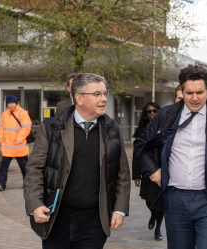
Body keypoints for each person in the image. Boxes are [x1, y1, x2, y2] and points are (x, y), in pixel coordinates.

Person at [134, 62, 207, 249]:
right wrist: (152, 170)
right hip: (175, 199)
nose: (194, 98)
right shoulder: (166, 115)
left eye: (199, 92)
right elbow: (140, 144)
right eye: (189, 93)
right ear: (182, 92)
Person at [23, 73, 131, 248]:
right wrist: (35, 204)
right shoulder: (51, 128)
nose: (104, 99)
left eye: (105, 94)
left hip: (95, 222)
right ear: (79, 98)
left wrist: (119, 209)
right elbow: (34, 170)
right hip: (56, 219)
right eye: (97, 94)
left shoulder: (113, 129)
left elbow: (122, 173)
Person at [132, 102, 164, 241]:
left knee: (160, 202)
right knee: (148, 200)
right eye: (149, 111)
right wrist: (136, 175)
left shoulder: (164, 127)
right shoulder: (141, 131)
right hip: (146, 172)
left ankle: (158, 228)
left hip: (161, 171)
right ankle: (153, 214)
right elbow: (136, 155)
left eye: (155, 111)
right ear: (145, 114)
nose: (152, 113)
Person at [0, 95, 32, 191]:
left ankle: (29, 184)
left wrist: (18, 140)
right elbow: (1, 127)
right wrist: (1, 139)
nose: (10, 105)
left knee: (24, 167)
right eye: (8, 103)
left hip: (19, 146)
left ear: (16, 102)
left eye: (12, 103)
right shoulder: (5, 113)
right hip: (7, 146)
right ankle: (0, 184)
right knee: (4, 166)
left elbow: (26, 127)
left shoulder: (22, 113)